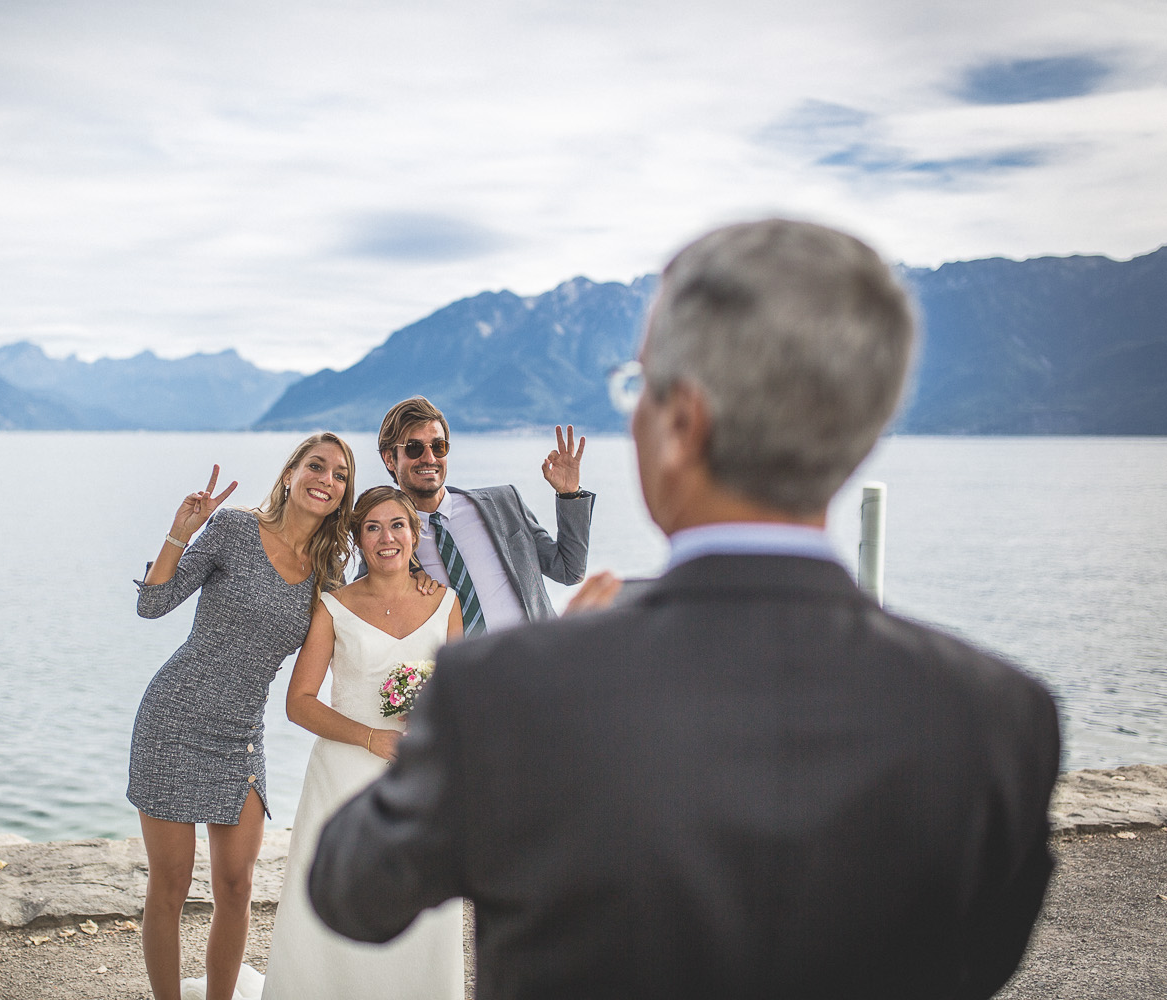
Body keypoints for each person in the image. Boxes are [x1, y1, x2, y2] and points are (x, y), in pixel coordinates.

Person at [309, 219, 1062, 999]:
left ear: (681, 421)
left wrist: (541, 677)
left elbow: (350, 889)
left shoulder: (506, 692)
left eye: (639, 388)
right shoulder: (1003, 720)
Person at [128, 432, 355, 1000]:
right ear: (290, 473)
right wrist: (180, 533)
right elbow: (152, 604)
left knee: (236, 886)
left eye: (340, 474)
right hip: (172, 721)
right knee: (171, 886)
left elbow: (351, 650)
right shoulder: (232, 529)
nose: (326, 479)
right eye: (316, 466)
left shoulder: (329, 575)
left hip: (240, 737)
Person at [261, 485, 466, 1000]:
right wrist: (371, 737)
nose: (386, 537)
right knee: (330, 907)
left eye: (397, 525)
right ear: (357, 539)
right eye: (371, 527)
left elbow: (462, 700)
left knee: (422, 911)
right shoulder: (333, 606)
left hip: (420, 783)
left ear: (415, 535)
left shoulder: (445, 603)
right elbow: (299, 702)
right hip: (341, 779)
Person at [376, 396, 594, 633]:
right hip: (459, 669)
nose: (429, 458)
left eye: (438, 446)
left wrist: (569, 494)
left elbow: (569, 570)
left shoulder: (503, 503)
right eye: (414, 448)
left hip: (538, 662)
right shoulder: (386, 541)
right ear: (389, 458)